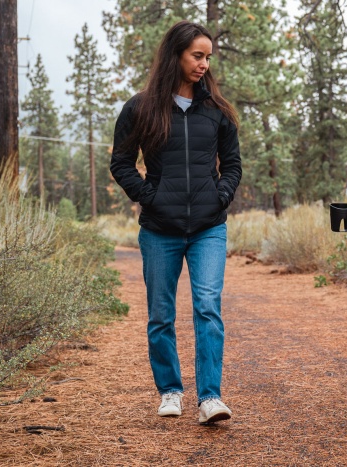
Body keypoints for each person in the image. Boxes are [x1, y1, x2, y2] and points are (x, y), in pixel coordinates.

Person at [109, 20, 241, 424]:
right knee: (160, 314)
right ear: (176, 54)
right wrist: (152, 197)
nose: (204, 64)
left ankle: (209, 398)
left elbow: (233, 166)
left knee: (207, 308)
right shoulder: (140, 107)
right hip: (158, 231)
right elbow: (121, 163)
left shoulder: (217, 110)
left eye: (208, 58)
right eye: (197, 56)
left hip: (208, 229)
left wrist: (219, 197)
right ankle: (169, 391)